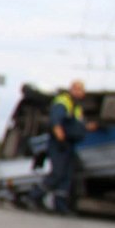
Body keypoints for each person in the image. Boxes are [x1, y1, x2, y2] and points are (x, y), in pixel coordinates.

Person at [26, 80, 93, 214]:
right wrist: (60, 138)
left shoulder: (77, 107)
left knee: (67, 175)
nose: (79, 92)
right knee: (57, 173)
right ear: (71, 89)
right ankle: (34, 196)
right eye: (77, 89)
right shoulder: (63, 101)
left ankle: (60, 205)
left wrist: (89, 127)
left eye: (81, 90)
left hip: (70, 144)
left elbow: (76, 125)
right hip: (59, 144)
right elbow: (56, 121)